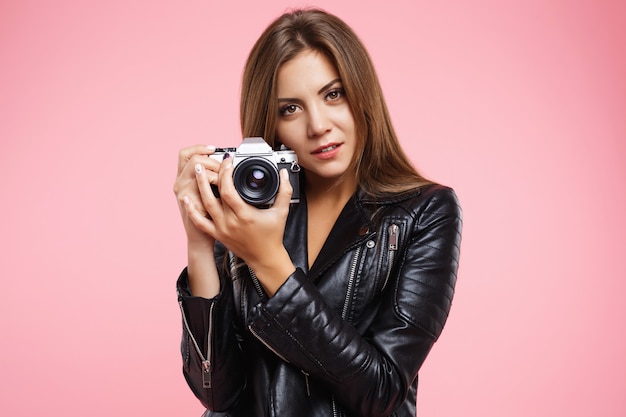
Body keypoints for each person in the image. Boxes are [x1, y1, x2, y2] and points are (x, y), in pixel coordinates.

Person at [173, 8, 462, 417]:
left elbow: (380, 392)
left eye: (333, 94)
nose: (318, 125)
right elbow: (216, 395)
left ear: (363, 94)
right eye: (290, 108)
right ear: (270, 125)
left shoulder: (424, 212)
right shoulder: (248, 203)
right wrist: (200, 243)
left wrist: (268, 261)